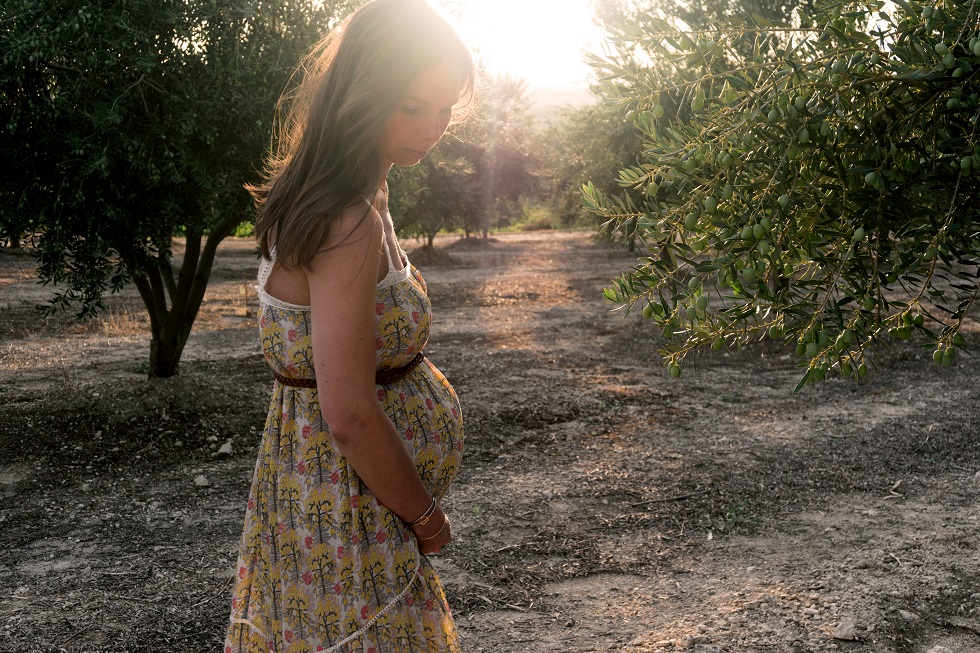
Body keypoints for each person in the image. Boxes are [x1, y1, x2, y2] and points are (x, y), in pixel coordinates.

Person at [223, 2, 474, 651]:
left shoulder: (351, 198)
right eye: (412, 106)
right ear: (364, 91)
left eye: (445, 109)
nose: (432, 127)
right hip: (344, 509)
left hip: (329, 499)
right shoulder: (346, 221)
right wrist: (424, 514)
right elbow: (350, 413)